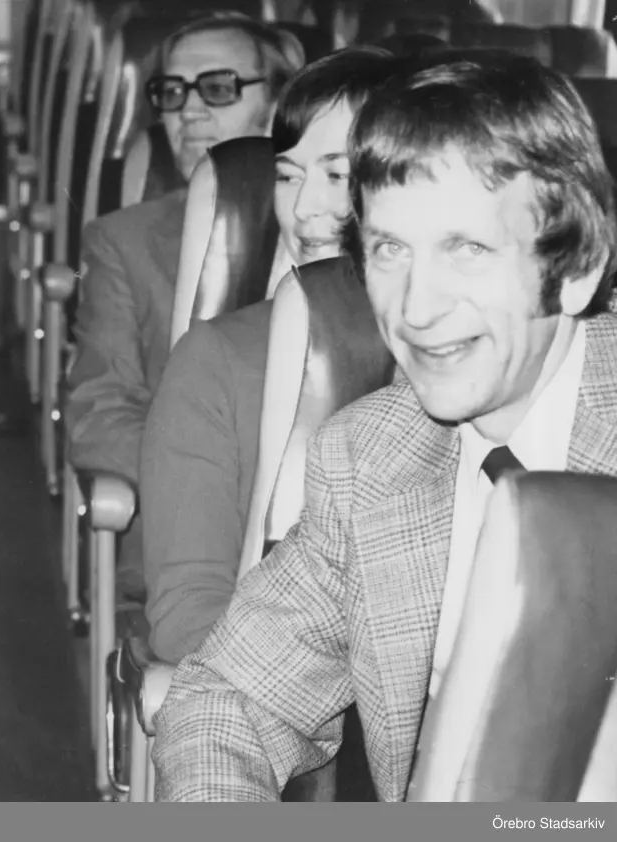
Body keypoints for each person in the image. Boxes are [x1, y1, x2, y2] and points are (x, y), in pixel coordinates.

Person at [153, 50, 617, 801]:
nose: (416, 308)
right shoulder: (370, 455)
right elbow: (227, 697)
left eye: (468, 249)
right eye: (390, 250)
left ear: (576, 271)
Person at [141, 45, 398, 665]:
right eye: (287, 176)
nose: (303, 208)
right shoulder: (217, 360)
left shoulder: (465, 363)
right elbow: (187, 611)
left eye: (338, 176)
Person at [62, 13, 303, 602]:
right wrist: (218, 493)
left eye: (218, 88)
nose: (189, 110)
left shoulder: (349, 232)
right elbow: (99, 411)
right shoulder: (124, 241)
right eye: (172, 92)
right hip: (187, 542)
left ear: (279, 106)